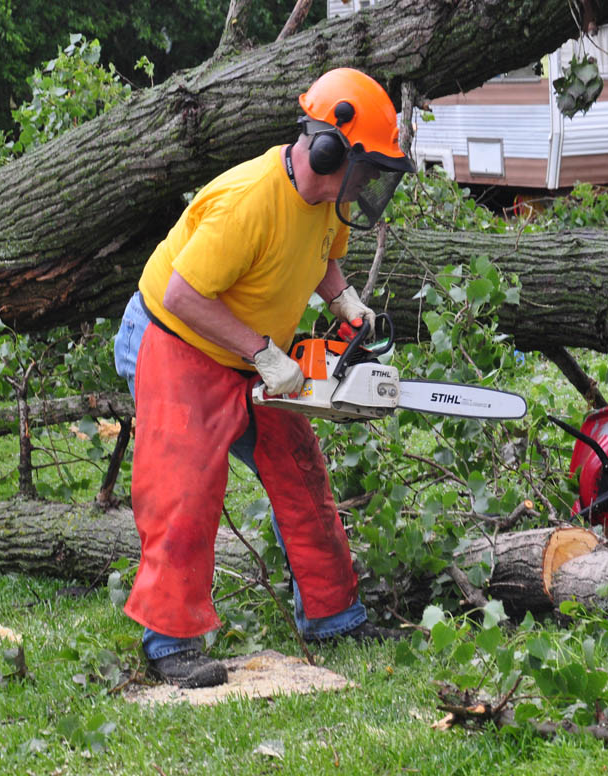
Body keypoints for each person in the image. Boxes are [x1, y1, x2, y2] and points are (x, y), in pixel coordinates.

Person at [112, 68, 414, 689]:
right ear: (327, 151)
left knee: (300, 469)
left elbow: (324, 257)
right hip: (176, 336)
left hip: (250, 350)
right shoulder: (248, 200)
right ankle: (169, 641)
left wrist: (345, 302)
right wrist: (262, 354)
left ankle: (335, 615)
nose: (363, 188)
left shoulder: (330, 200)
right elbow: (184, 293)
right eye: (362, 172)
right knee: (186, 484)